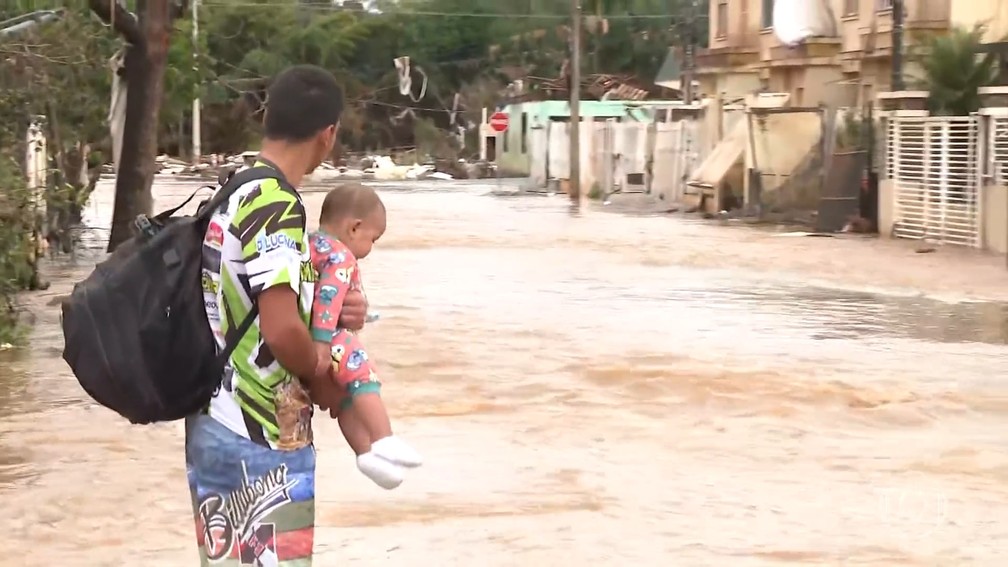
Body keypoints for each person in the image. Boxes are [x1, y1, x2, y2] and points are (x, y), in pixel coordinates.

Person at [186, 64, 361, 566]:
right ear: (328, 135)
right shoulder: (277, 204)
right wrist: (321, 373)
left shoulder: (235, 189)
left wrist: (345, 305)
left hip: (212, 418)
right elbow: (282, 328)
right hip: (259, 433)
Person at [309, 184, 422, 490]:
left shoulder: (310, 245)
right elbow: (330, 298)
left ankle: (365, 454)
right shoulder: (342, 256)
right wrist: (321, 342)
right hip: (330, 337)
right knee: (363, 380)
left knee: (345, 400)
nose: (371, 247)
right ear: (354, 228)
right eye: (372, 239)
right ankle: (384, 439)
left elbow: (316, 294)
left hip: (313, 336)